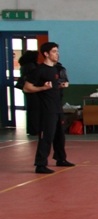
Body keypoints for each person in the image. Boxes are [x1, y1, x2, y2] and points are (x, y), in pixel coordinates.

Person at [23, 42, 74, 174]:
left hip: (57, 107)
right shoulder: (39, 70)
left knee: (60, 136)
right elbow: (27, 88)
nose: (57, 54)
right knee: (46, 137)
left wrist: (61, 85)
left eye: (57, 51)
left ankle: (60, 158)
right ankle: (40, 164)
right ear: (46, 54)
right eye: (54, 51)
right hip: (46, 110)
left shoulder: (55, 69)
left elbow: (53, 85)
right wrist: (42, 88)